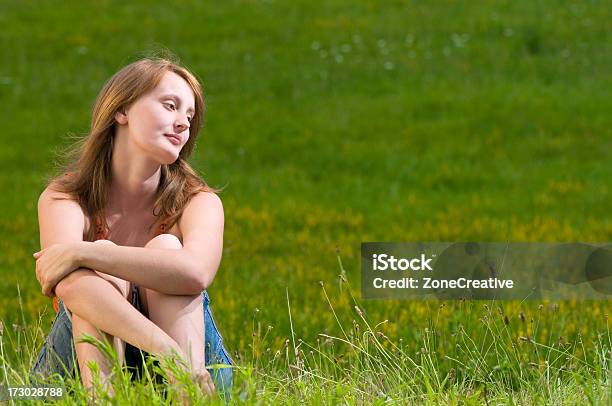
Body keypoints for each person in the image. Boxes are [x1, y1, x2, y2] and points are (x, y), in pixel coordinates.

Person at [29, 57, 233, 399]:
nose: (183, 123)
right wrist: (167, 352)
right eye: (170, 106)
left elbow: (196, 272)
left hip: (195, 375)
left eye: (189, 116)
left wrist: (82, 251)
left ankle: (189, 396)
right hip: (75, 379)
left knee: (165, 250)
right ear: (121, 111)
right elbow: (66, 285)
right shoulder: (65, 197)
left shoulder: (198, 202)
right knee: (96, 269)